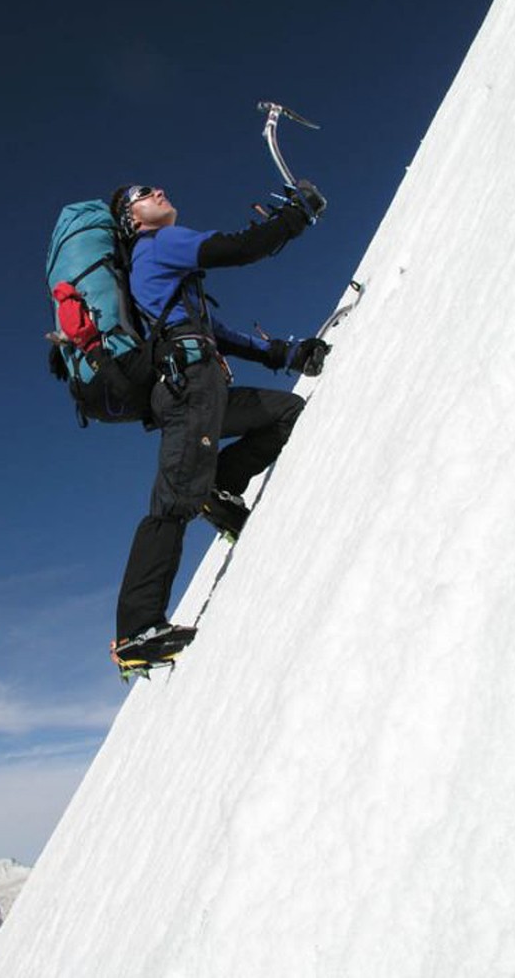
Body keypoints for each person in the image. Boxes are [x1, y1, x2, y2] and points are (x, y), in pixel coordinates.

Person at [109, 182, 326, 666]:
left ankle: (221, 489)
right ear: (132, 219)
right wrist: (295, 217)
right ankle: (135, 632)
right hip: (189, 390)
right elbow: (239, 248)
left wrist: (283, 353)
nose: (161, 190)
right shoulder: (158, 244)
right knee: (171, 503)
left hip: (200, 385)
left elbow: (214, 334)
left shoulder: (166, 276)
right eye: (146, 192)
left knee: (282, 413)